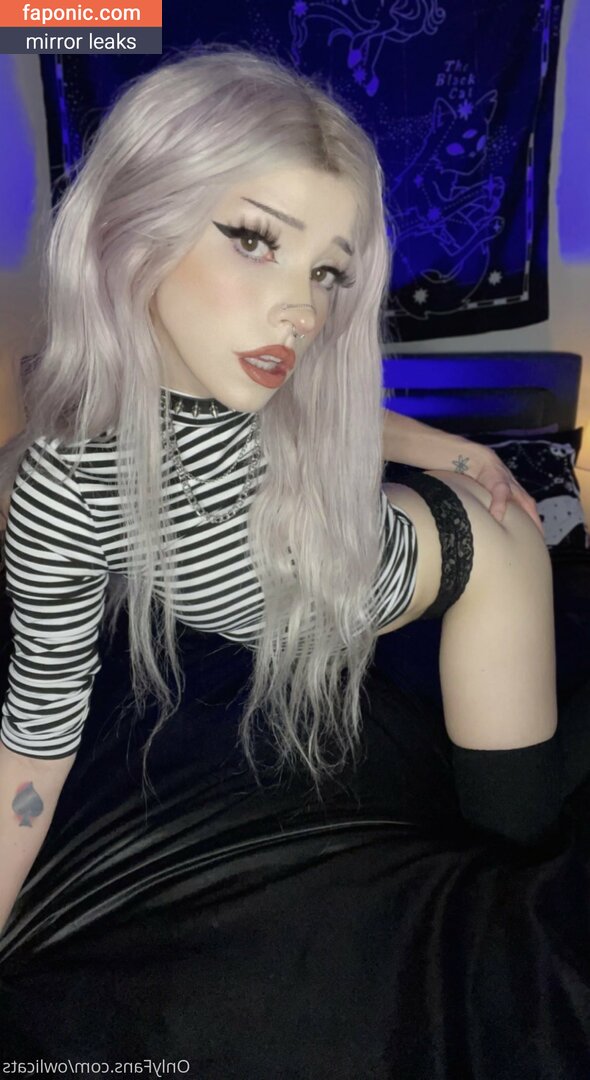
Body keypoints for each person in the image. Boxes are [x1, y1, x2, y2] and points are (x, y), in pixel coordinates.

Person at [0, 45, 561, 940]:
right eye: (256, 241)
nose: (303, 312)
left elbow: (335, 408)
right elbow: (33, 748)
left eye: (326, 273)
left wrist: (458, 452)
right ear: (136, 224)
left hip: (479, 566)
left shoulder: (267, 374)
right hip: (316, 573)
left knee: (517, 874)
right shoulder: (65, 487)